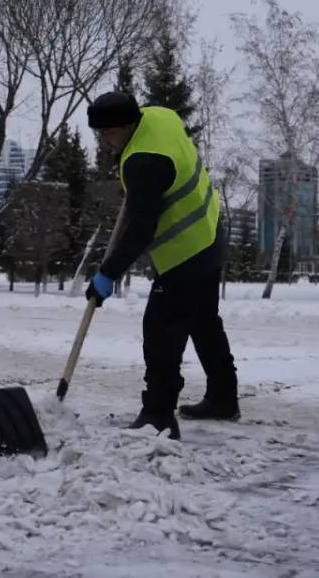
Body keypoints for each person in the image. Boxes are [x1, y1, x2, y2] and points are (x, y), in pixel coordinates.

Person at [85, 91, 239, 441]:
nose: (105, 141)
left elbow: (140, 228)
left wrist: (108, 273)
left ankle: (158, 414)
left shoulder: (144, 162)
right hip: (211, 230)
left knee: (161, 330)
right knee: (203, 321)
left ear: (127, 125)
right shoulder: (160, 116)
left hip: (186, 251)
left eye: (108, 133)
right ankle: (223, 397)